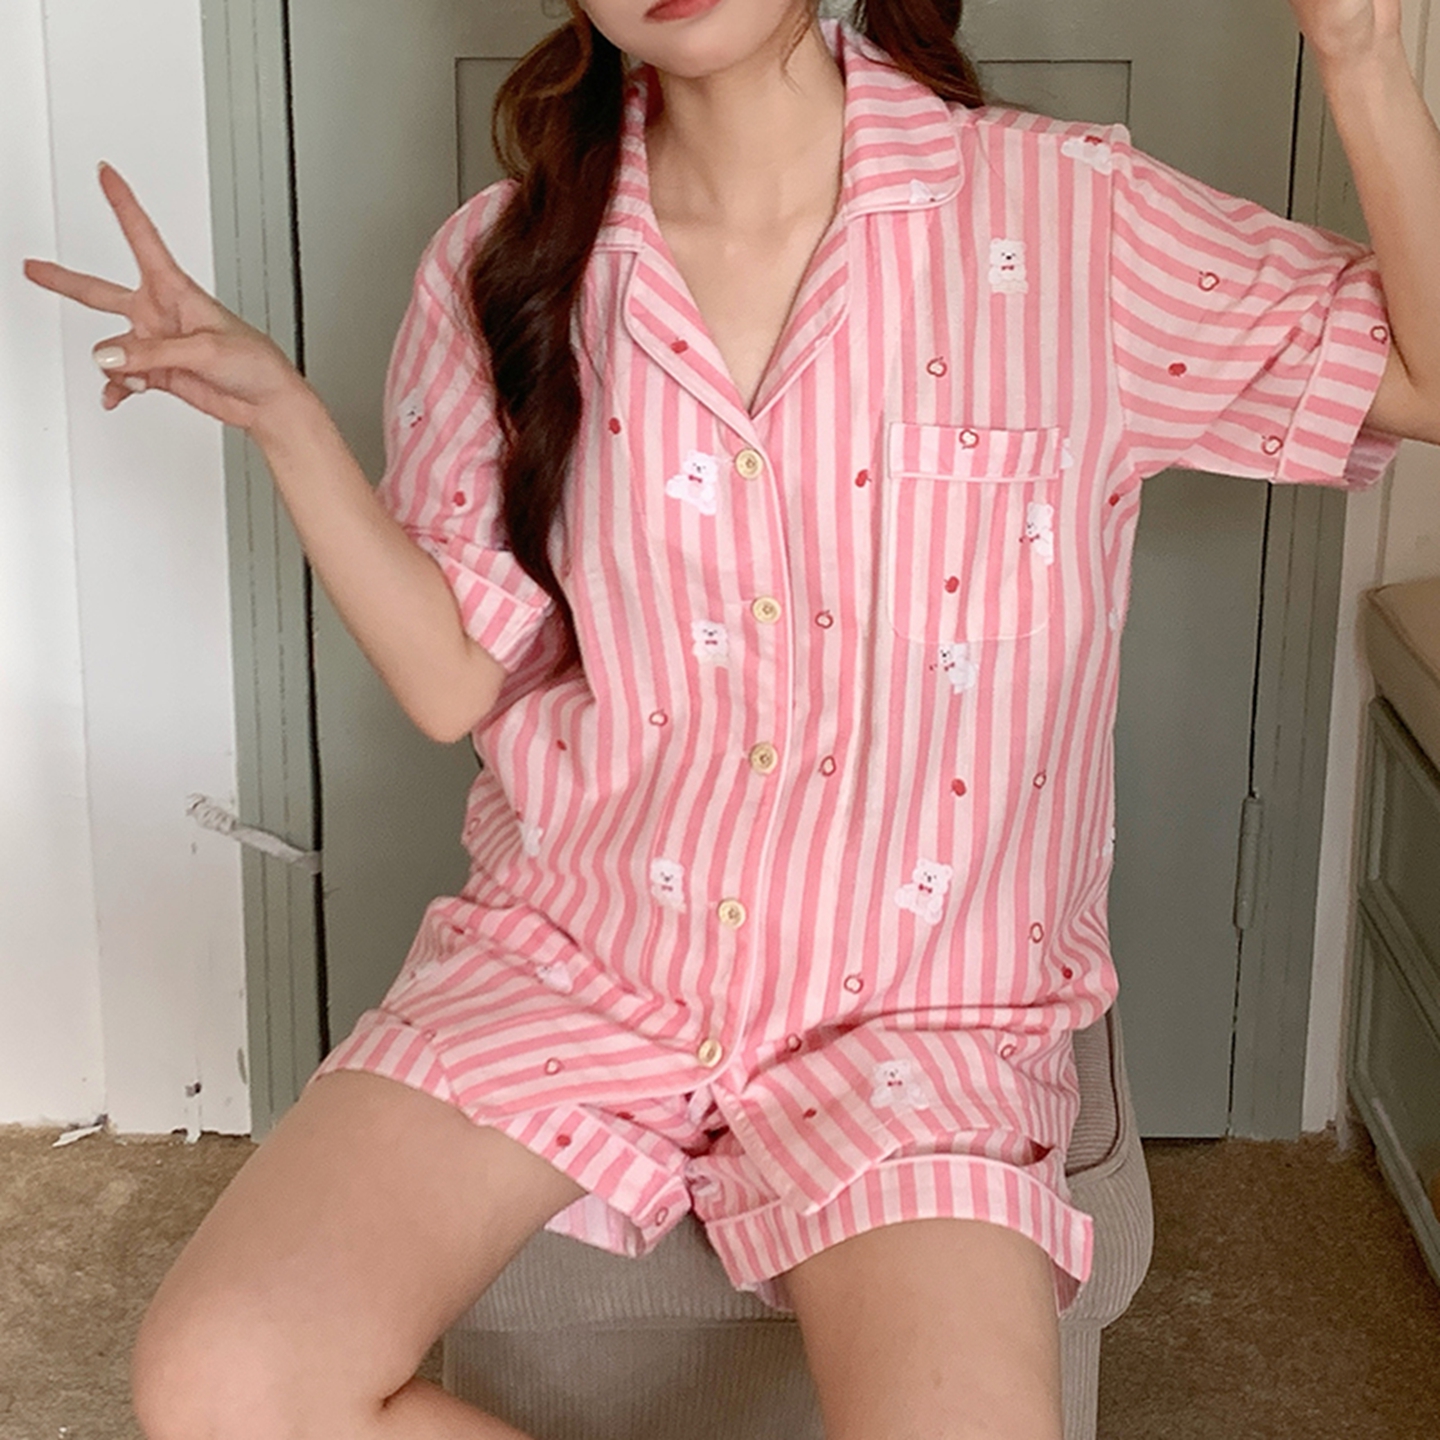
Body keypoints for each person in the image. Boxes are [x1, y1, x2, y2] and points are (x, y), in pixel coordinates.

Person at [22, 0, 1440, 1437]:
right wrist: (285, 417)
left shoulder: (1070, 221)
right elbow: (453, 679)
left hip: (926, 1017)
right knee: (222, 1379)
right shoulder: (505, 259)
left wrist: (1362, 55)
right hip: (582, 961)